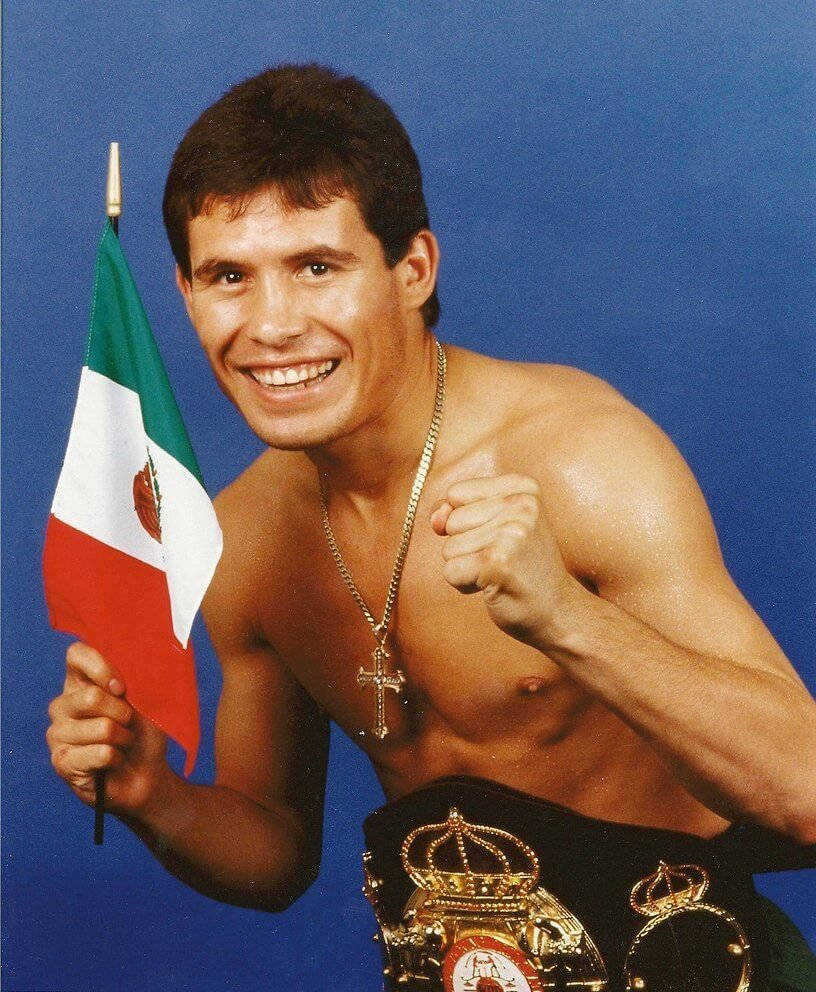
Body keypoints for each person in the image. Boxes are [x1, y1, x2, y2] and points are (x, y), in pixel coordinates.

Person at [46, 64, 816, 991]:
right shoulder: (244, 539)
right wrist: (153, 796)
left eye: (317, 267)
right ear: (184, 292)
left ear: (412, 269)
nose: (273, 323)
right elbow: (277, 852)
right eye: (229, 278)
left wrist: (565, 618)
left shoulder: (581, 460)